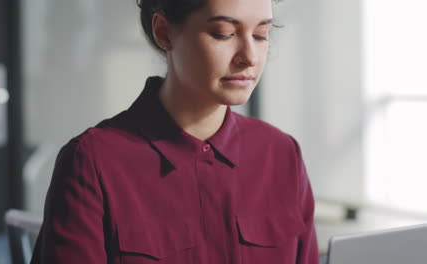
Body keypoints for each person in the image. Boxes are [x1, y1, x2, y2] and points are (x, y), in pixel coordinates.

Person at [30, 0, 320, 263]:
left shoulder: (282, 154)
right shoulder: (93, 163)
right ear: (164, 32)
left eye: (260, 35)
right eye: (223, 33)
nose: (250, 57)